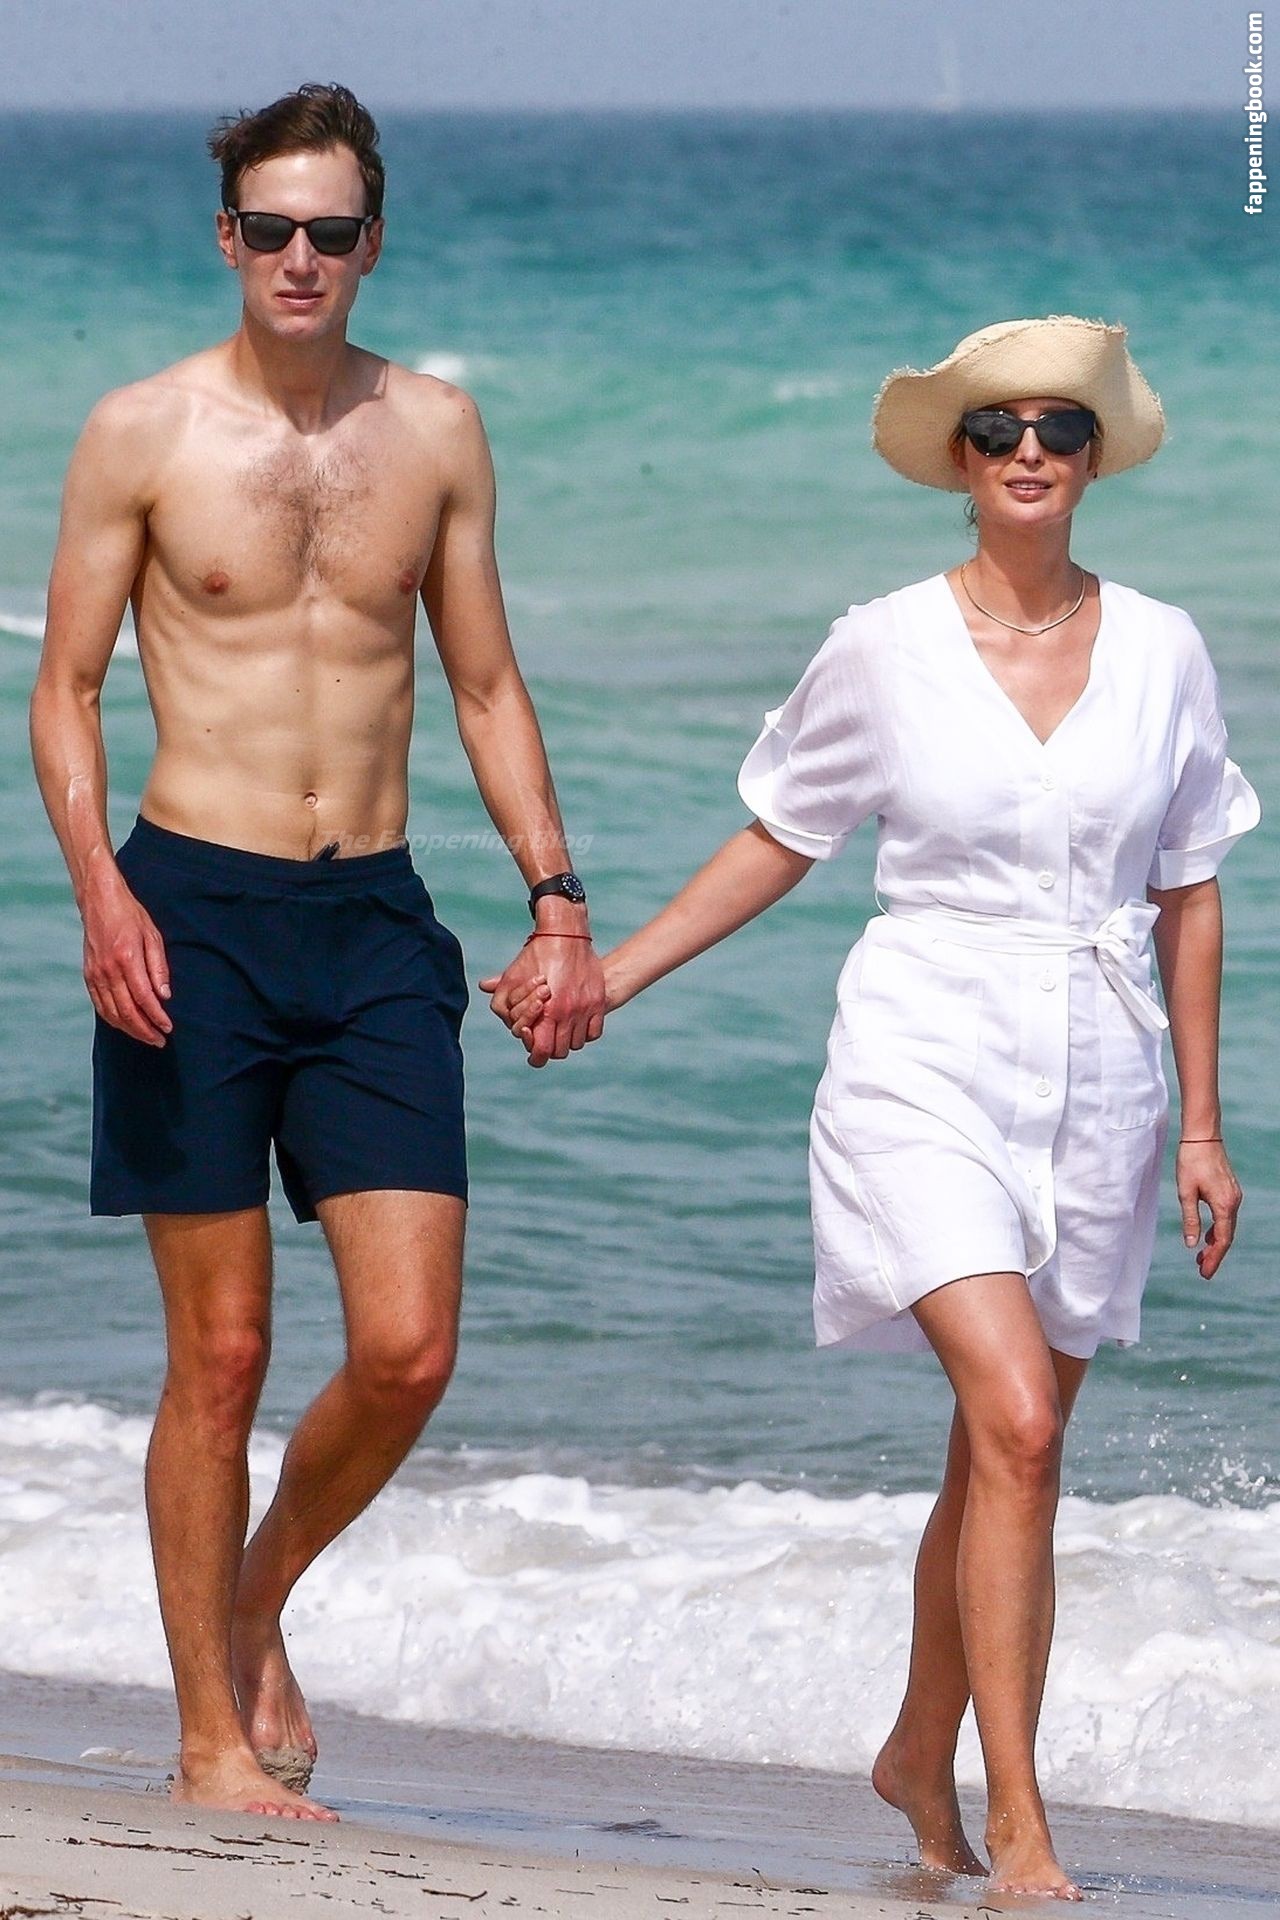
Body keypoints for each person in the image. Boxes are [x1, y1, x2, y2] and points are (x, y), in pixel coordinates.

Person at [492, 316, 1259, 1897]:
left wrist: (1201, 1122)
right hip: (923, 1052)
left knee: (1003, 1454)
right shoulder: (885, 643)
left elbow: (1190, 889)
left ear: (1094, 458)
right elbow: (781, 836)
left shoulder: (1165, 649)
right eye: (998, 431)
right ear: (959, 463)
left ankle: (920, 1748)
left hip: (1103, 1077)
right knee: (1021, 1422)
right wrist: (611, 975)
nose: (1029, 451)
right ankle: (1022, 1822)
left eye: (1059, 428)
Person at [30, 82, 604, 1822]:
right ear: (228, 239)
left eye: (330, 231)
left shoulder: (435, 431)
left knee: (409, 1348)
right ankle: (210, 1738)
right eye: (271, 228)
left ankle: (258, 1589)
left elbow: (485, 684)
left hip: (370, 922)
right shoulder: (142, 431)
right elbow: (64, 691)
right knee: (219, 1358)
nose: (300, 257)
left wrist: (558, 899)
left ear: (372, 244)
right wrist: (99, 892)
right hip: (186, 915)